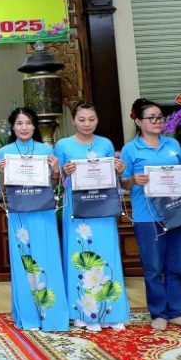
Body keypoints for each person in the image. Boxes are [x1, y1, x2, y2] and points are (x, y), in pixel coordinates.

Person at [120, 98, 181, 331]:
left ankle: (176, 311)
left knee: (180, 265)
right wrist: (133, 180)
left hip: (176, 211)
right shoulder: (130, 149)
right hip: (147, 217)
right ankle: (158, 313)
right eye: (151, 118)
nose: (157, 121)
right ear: (138, 121)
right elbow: (122, 183)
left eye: (160, 117)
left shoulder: (172, 144)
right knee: (153, 266)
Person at [54, 102, 129, 332]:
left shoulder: (105, 144)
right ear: (73, 120)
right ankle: (82, 313)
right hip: (77, 209)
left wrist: (118, 170)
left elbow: (112, 177)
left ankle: (112, 312)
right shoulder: (63, 145)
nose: (87, 124)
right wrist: (64, 172)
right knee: (80, 254)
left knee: (107, 254)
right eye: (82, 119)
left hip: (102, 207)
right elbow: (57, 179)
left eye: (91, 119)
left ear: (97, 120)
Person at [0, 107, 68, 332]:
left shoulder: (46, 150)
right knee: (23, 262)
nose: (24, 127)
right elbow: (2, 189)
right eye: (19, 123)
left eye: (28, 123)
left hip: (43, 213)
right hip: (19, 214)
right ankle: (28, 316)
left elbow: (55, 184)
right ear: (12, 127)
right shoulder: (5, 152)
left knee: (47, 259)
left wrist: (55, 170)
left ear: (34, 126)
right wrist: (1, 172)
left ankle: (52, 315)